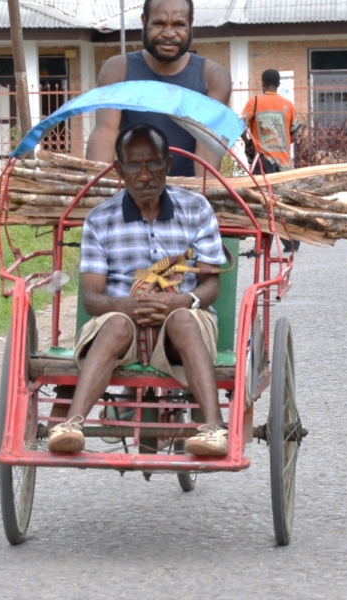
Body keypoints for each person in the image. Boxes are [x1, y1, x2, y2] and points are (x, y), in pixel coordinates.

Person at [48, 123, 229, 457]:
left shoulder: (196, 208)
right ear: (119, 170)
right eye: (134, 165)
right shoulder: (100, 219)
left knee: (182, 319)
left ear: (168, 165)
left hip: (184, 328)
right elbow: (91, 298)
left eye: (153, 163)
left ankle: (214, 430)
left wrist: (183, 300)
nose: (145, 175)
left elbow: (212, 284)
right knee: (116, 323)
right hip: (120, 329)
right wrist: (128, 307)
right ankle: (72, 424)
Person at [85, 0, 232, 177]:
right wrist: (93, 190)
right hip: (133, 189)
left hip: (187, 193)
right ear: (144, 21)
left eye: (178, 24)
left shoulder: (213, 78)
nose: (169, 34)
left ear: (190, 24)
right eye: (159, 23)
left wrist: (200, 201)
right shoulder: (117, 70)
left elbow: (207, 153)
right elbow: (105, 133)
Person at [242, 68, 302, 252]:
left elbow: (241, 125)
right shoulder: (288, 105)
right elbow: (295, 134)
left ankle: (259, 242)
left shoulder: (254, 102)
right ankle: (291, 241)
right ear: (279, 84)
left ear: (262, 83)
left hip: (262, 162)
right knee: (282, 202)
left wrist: (248, 143)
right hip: (284, 164)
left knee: (259, 201)